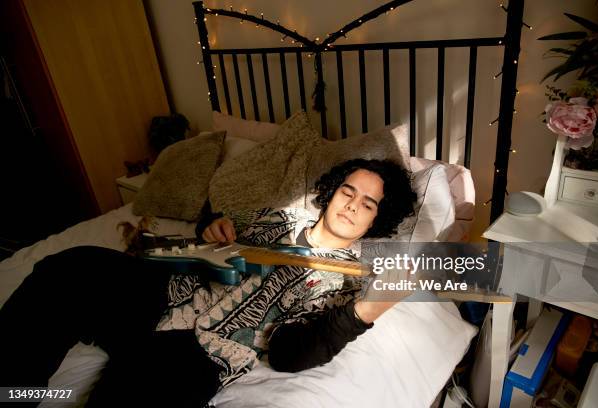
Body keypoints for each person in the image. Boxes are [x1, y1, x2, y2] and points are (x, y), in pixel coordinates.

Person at [0, 158, 416, 407]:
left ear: (378, 217)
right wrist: (212, 226)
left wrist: (364, 314)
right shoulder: (277, 217)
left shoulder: (348, 284)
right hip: (159, 291)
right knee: (70, 269)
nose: (351, 205)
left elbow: (291, 355)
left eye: (368, 203)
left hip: (200, 353)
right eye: (348, 190)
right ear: (332, 192)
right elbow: (216, 227)